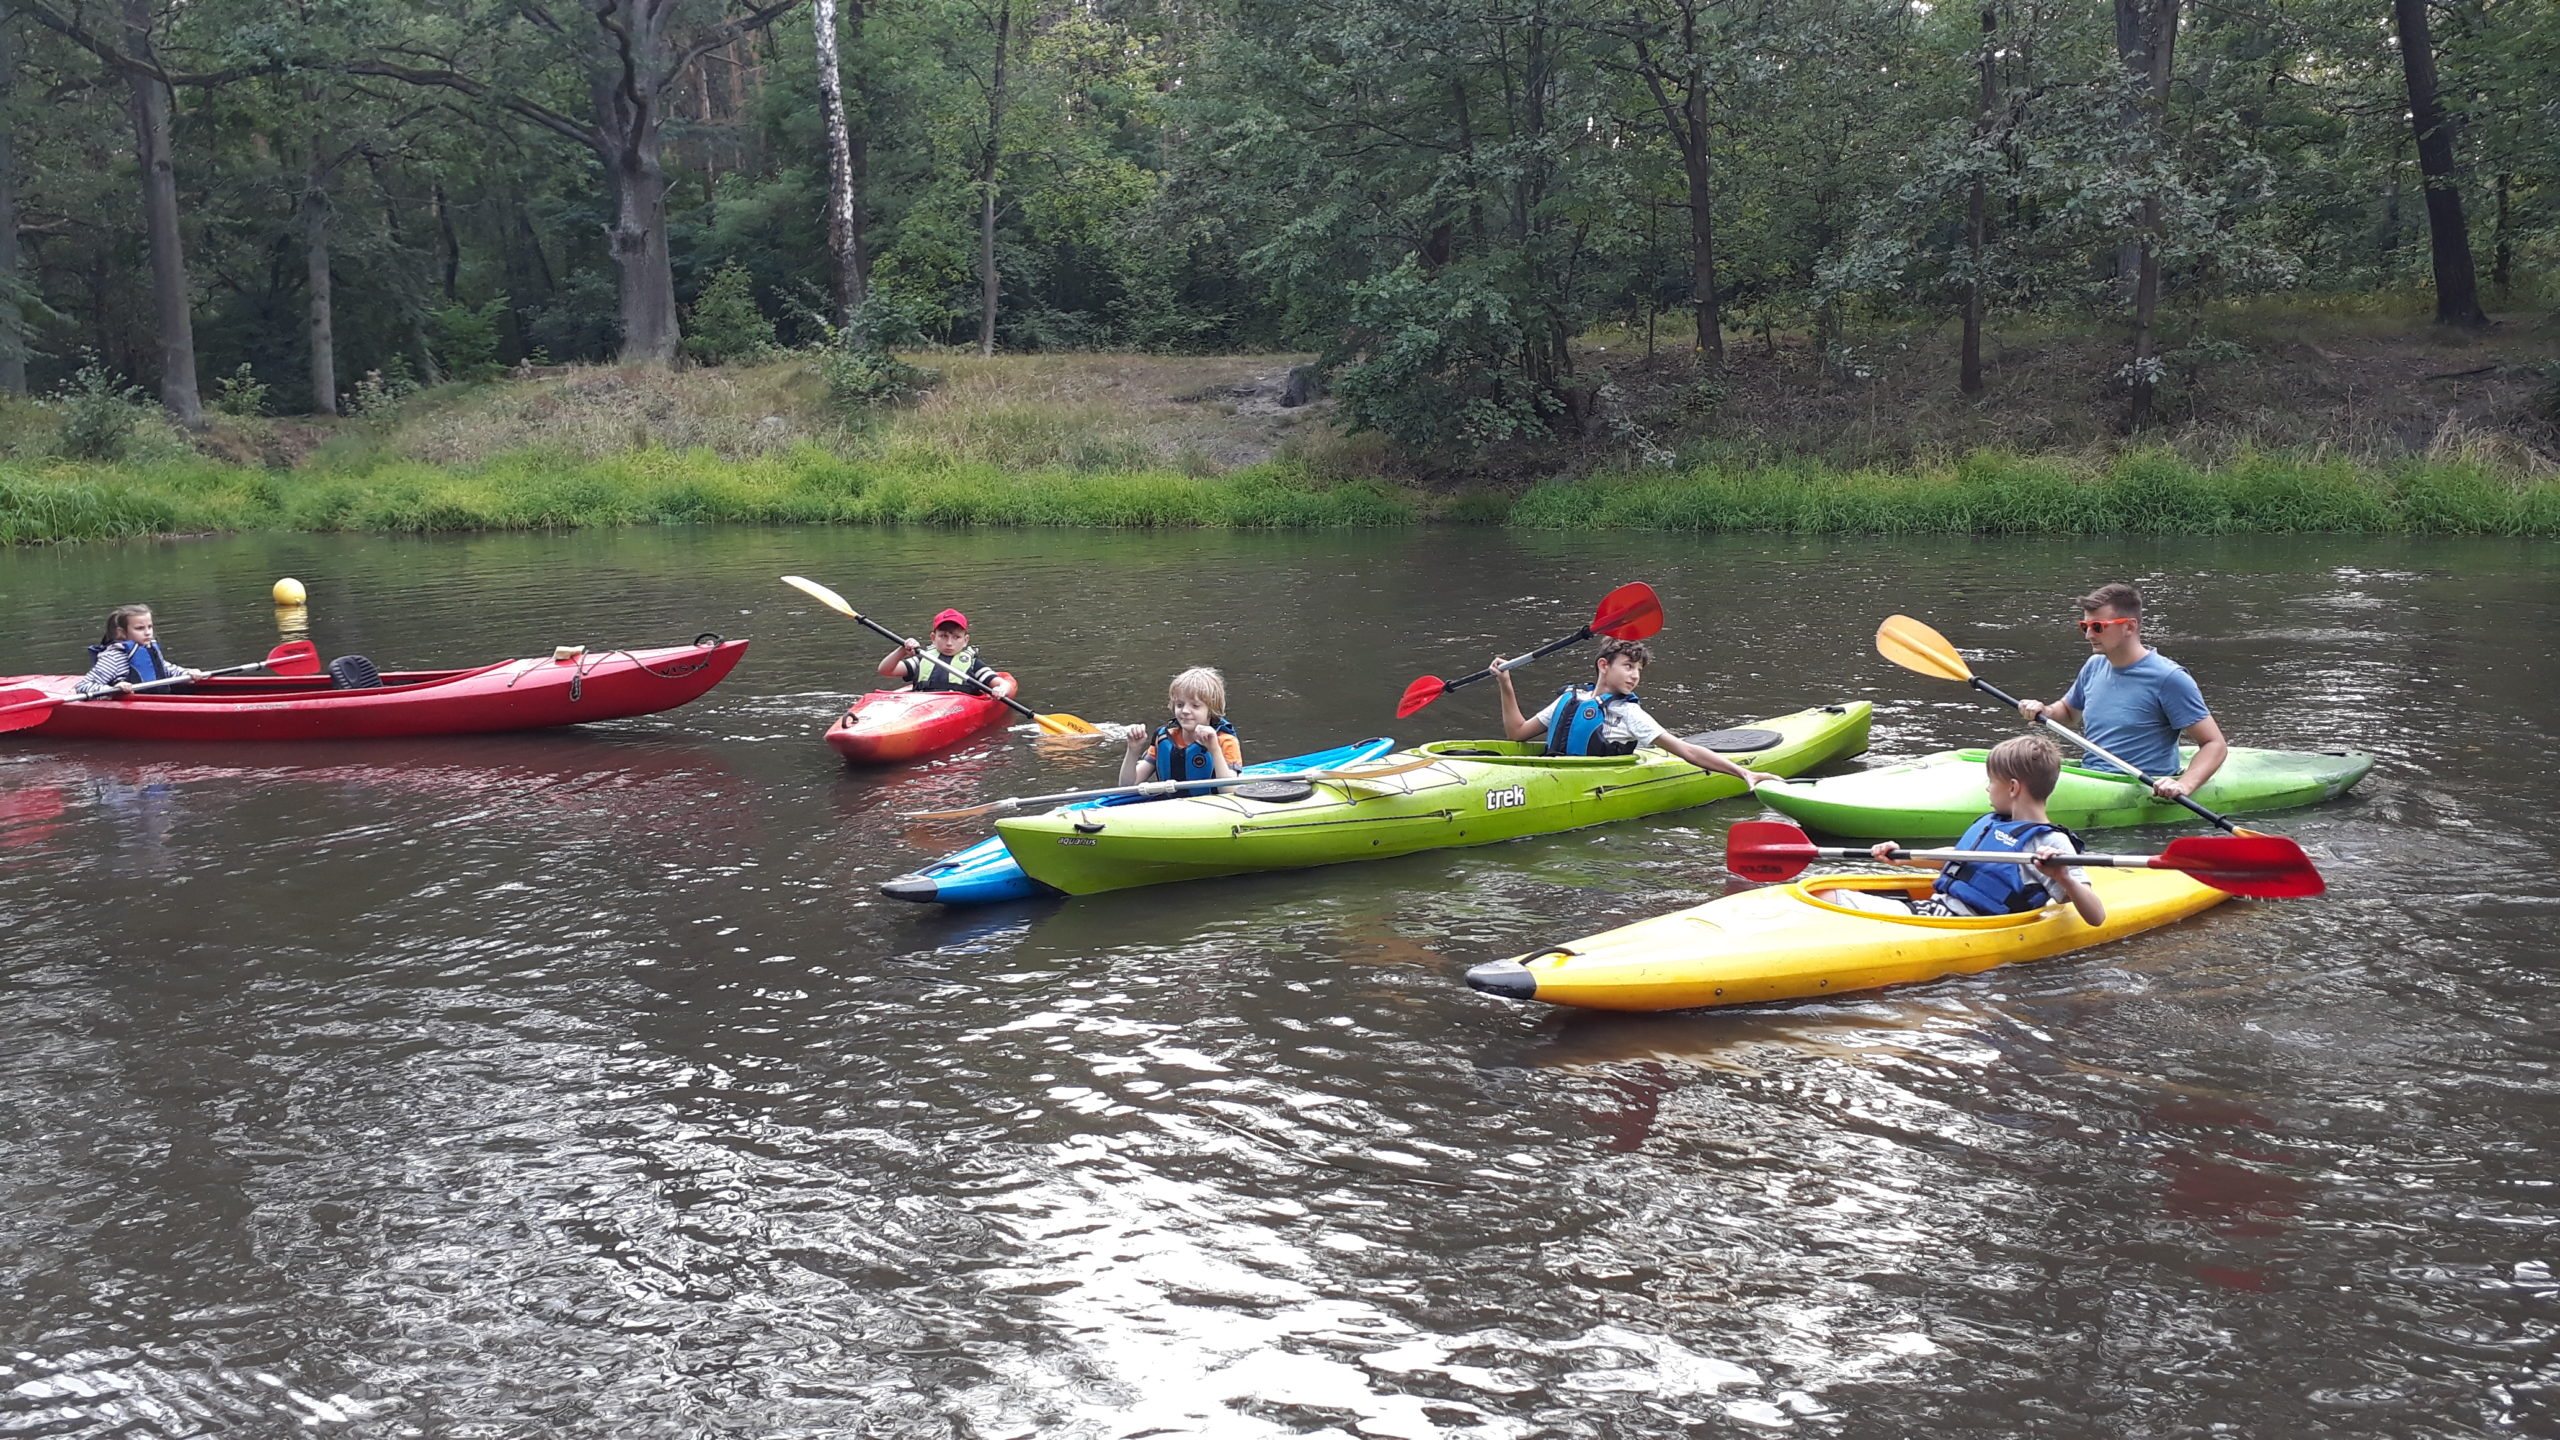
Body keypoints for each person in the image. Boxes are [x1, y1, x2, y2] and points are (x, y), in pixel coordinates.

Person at [1821, 733, 2106, 924]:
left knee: (1829, 901)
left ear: (2012, 788)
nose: (1987, 788)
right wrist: (1902, 856)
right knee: (1824, 893)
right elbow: (1957, 856)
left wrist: (2064, 878)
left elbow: (2096, 916)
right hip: (1939, 909)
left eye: (1991, 781)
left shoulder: (2050, 842)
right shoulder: (1996, 822)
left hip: (1959, 922)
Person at [2014, 582, 2226, 801]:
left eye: (2098, 627)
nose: (2088, 635)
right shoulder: (2094, 665)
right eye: (2084, 626)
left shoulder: (2170, 678)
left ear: (2129, 627)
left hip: (2143, 789)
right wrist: (2045, 711)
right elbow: (2069, 712)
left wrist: (2184, 785)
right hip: (2093, 777)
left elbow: (2214, 744)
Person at [1491, 637, 1782, 788]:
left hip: (1590, 784)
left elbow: (1686, 750)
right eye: (1628, 667)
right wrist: (1505, 683)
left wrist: (1744, 772)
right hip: (1547, 775)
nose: (1635, 676)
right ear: (1604, 665)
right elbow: (1517, 732)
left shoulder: (1629, 714)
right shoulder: (1570, 699)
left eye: (1639, 670)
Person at [1120, 666, 1242, 787]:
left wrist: (1215, 750)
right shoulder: (1164, 738)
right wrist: (1133, 750)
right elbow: (1127, 785)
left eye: (1195, 706)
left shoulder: (1225, 741)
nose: (1185, 711)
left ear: (1211, 710)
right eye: (1180, 705)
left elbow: (1229, 790)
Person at [876, 608, 1015, 699]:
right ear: (933, 638)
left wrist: (1001, 690)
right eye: (943, 636)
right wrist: (902, 650)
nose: (949, 643)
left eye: (956, 637)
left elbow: (1003, 684)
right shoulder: (923, 659)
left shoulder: (973, 665)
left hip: (956, 708)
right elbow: (886, 670)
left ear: (965, 640)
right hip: (922, 705)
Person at [76, 605, 206, 697]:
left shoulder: (148, 648)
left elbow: (165, 669)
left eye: (150, 627)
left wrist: (186, 673)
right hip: (131, 705)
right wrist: (113, 689)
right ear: (122, 633)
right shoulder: (114, 657)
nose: (148, 632)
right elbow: (83, 686)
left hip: (158, 699)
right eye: (139, 628)